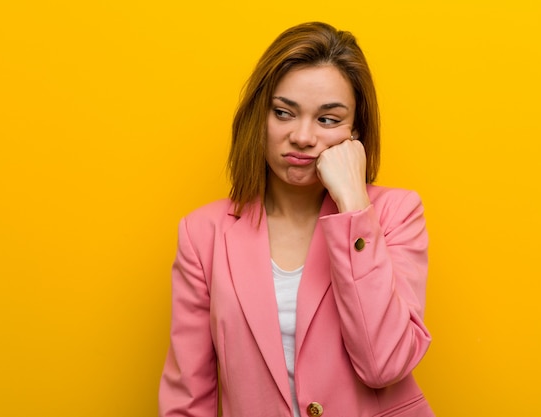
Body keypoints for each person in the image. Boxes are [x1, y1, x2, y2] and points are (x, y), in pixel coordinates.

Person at [159, 21, 434, 417]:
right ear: (261, 117)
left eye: (328, 120)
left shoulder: (396, 215)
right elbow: (188, 397)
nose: (303, 136)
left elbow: (384, 364)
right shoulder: (203, 233)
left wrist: (355, 207)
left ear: (354, 130)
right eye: (284, 113)